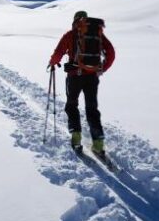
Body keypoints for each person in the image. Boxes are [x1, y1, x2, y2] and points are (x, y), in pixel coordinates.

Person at [47, 10, 115, 155]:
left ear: (75, 21)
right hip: (92, 77)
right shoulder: (97, 34)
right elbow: (111, 53)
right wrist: (102, 68)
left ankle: (76, 137)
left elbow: (58, 52)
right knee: (92, 108)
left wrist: (52, 63)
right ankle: (98, 143)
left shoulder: (70, 35)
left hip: (74, 76)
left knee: (72, 105)